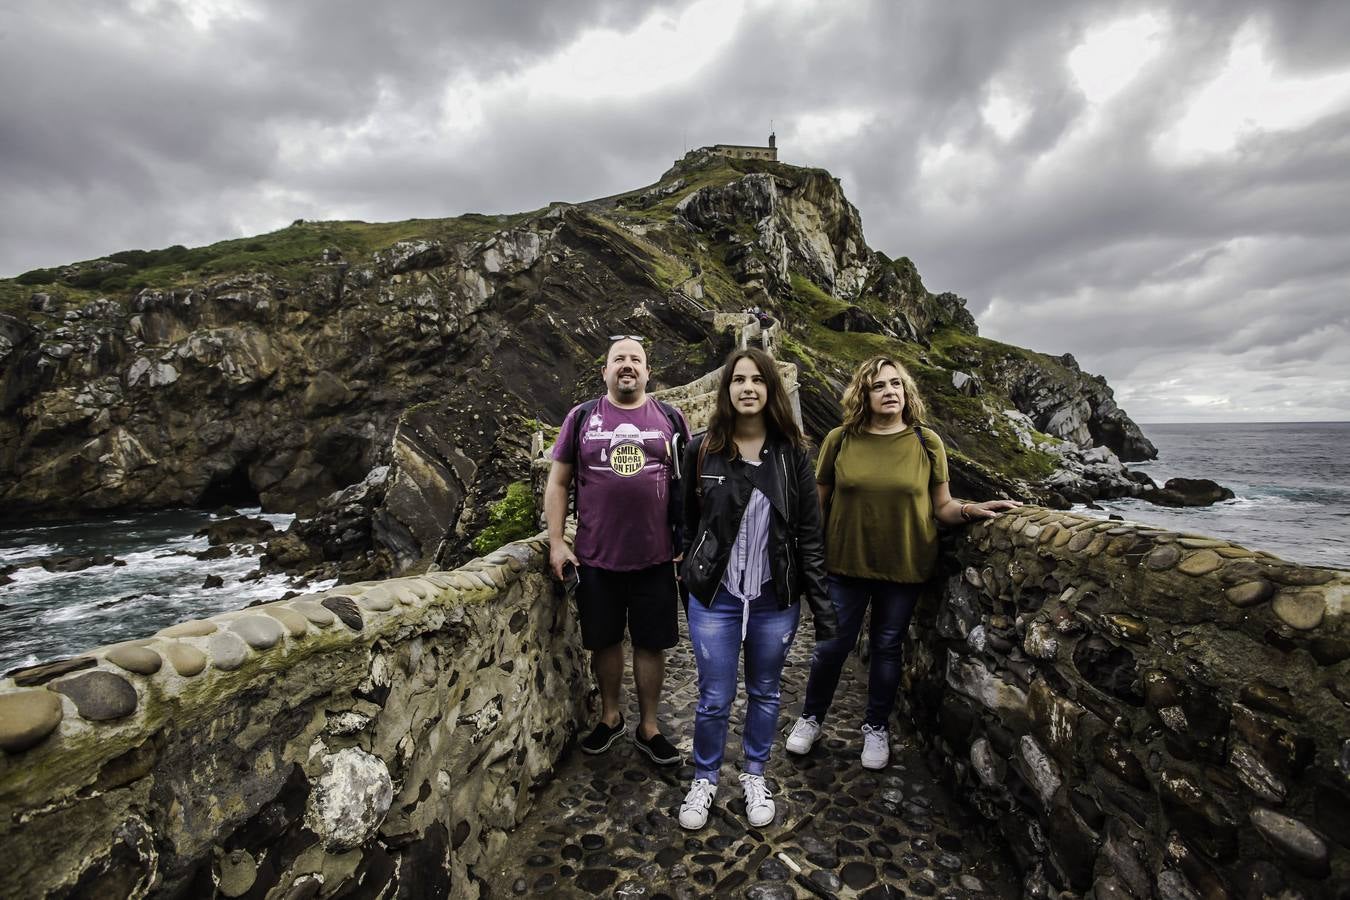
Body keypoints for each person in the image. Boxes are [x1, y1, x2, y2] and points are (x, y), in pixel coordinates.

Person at [785, 355, 1021, 770]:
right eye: (879, 386)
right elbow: (817, 506)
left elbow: (942, 506)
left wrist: (971, 510)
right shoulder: (840, 440)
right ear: (864, 394)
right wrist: (809, 558)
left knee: (887, 647)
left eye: (896, 383)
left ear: (906, 391)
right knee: (830, 648)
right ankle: (811, 718)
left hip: (904, 566)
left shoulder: (926, 441)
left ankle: (875, 727)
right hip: (844, 565)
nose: (890, 391)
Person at [675, 348, 837, 830]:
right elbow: (686, 521)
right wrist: (689, 576)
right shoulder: (702, 448)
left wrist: (822, 607)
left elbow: (809, 533)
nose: (748, 388)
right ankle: (704, 779)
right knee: (714, 697)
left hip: (773, 597)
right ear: (726, 391)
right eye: (738, 380)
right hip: (716, 598)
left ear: (772, 390)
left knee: (766, 692)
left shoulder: (793, 456)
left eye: (758, 380)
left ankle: (753, 774)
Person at [545, 336, 689, 766]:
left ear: (648, 372)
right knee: (604, 642)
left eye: (636, 360)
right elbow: (558, 482)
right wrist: (556, 542)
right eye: (618, 359)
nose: (627, 365)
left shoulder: (670, 417)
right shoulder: (582, 417)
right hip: (596, 557)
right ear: (605, 371)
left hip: (657, 558)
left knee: (651, 644)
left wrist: (686, 539)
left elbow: (689, 483)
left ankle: (649, 727)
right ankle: (610, 718)